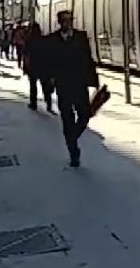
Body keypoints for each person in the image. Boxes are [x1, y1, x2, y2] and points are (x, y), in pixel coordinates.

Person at [43, 9, 99, 167]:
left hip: (80, 84)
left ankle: (72, 137)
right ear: (59, 22)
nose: (68, 23)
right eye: (65, 20)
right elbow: (48, 62)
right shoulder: (52, 40)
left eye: (70, 20)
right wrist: (50, 81)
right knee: (67, 119)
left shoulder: (81, 37)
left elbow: (88, 59)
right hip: (63, 86)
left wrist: (94, 81)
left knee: (85, 115)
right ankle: (73, 152)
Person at [23, 20, 53, 112]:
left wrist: (25, 66)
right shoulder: (43, 40)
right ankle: (49, 104)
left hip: (32, 65)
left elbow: (26, 54)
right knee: (45, 85)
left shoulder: (28, 40)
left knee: (33, 86)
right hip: (43, 65)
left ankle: (33, 104)